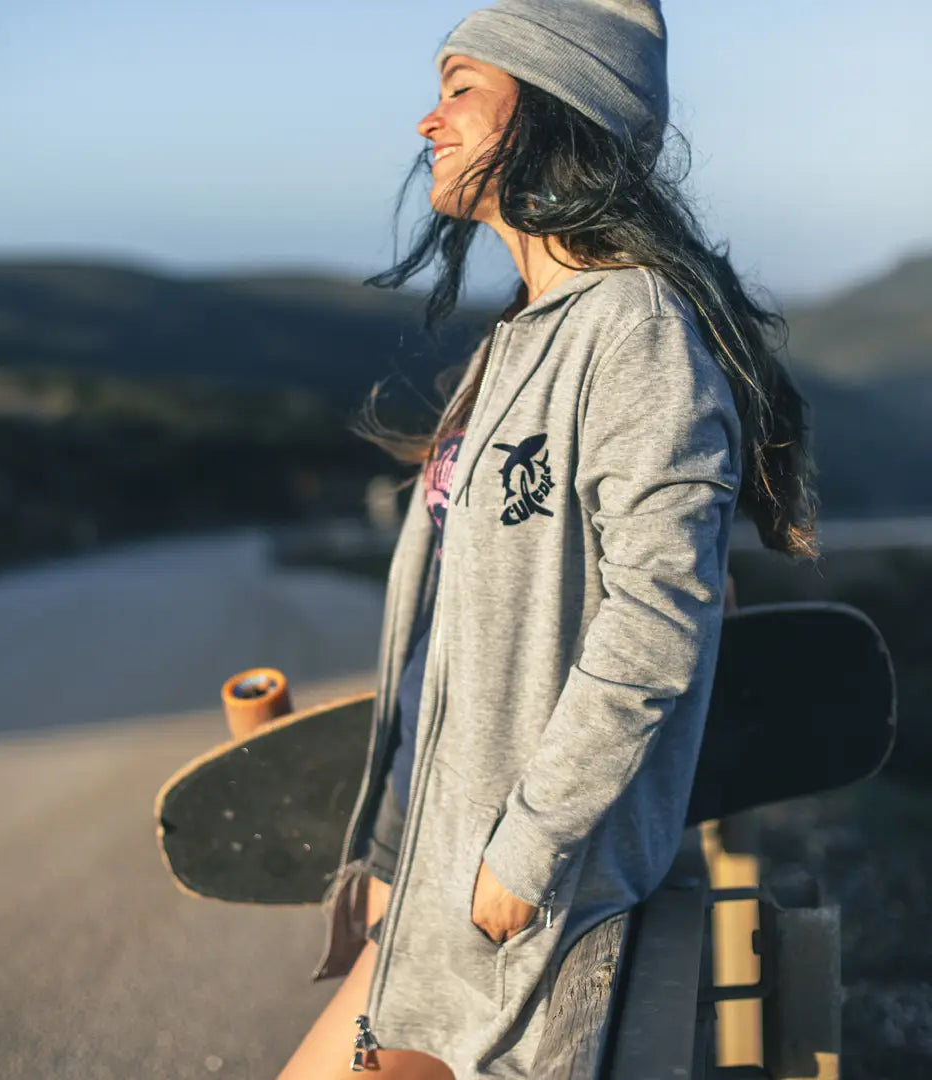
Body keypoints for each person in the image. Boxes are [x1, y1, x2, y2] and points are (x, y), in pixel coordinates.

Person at [278, 1, 817, 1077]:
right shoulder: (518, 343)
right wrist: (395, 854)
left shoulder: (638, 327)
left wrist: (523, 858)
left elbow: (657, 611)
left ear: (557, 107)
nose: (427, 123)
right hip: (434, 868)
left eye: (462, 88)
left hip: (524, 902)